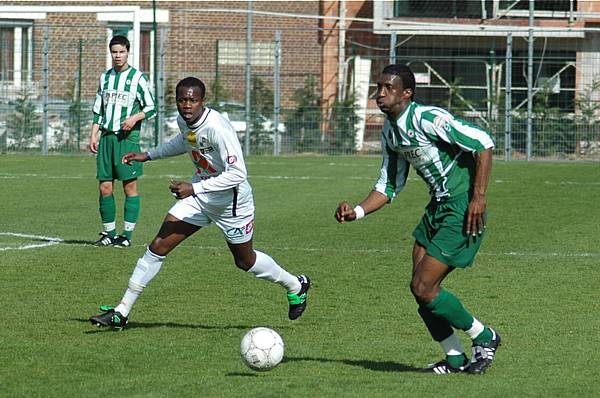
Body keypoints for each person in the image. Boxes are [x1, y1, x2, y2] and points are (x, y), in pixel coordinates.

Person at [89, 76, 310, 329]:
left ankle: (296, 284)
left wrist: (194, 187)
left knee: (245, 261)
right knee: (158, 245)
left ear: (202, 101)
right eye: (182, 100)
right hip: (200, 197)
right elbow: (183, 142)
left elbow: (238, 174)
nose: (187, 105)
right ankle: (122, 311)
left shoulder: (218, 127)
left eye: (192, 100)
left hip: (231, 203)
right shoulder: (183, 121)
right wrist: (148, 155)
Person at [334, 64, 500, 375]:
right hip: (437, 208)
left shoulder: (428, 118)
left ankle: (485, 337)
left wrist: (478, 197)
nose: (380, 94)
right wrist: (356, 211)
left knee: (425, 286)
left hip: (462, 208)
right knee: (418, 288)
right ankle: (454, 358)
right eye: (378, 87)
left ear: (407, 93)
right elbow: (388, 184)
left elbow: (483, 141)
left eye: (388, 88)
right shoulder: (389, 131)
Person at [89, 35, 156, 248]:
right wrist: (93, 134)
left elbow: (151, 107)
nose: (118, 56)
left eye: (121, 52)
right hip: (107, 139)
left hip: (127, 141)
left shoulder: (138, 78)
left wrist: (134, 118)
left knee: (130, 187)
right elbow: (99, 110)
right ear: (110, 53)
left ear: (128, 52)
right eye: (114, 52)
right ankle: (109, 233)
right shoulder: (105, 78)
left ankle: (126, 235)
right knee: (105, 188)